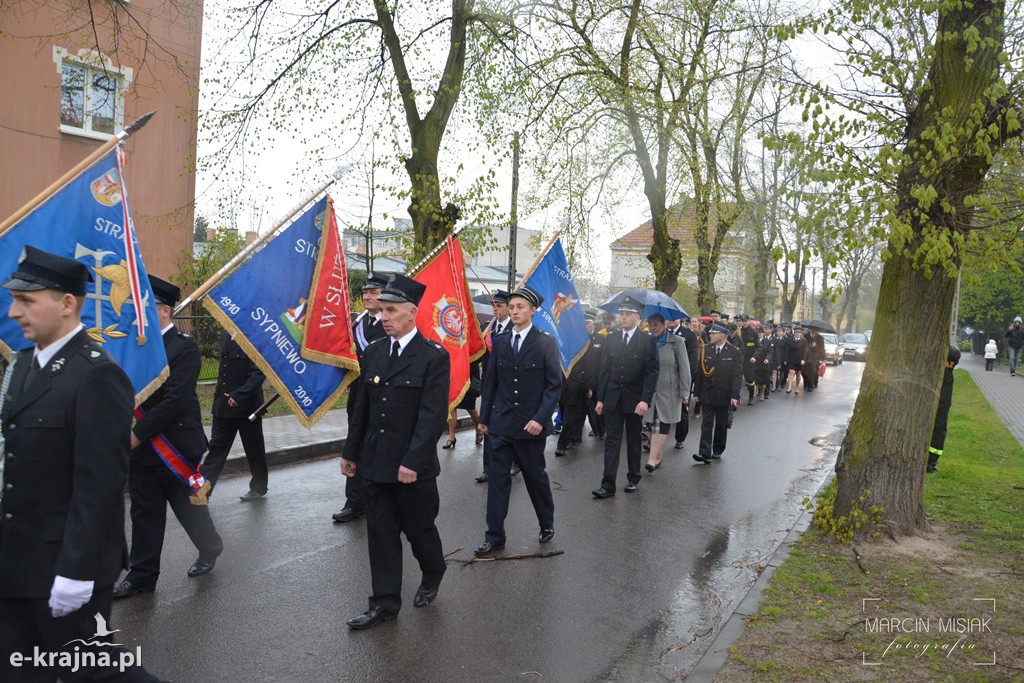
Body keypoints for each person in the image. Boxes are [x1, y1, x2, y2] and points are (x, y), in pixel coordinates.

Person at [0, 247, 160, 682]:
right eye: (14, 299)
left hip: (63, 567)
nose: (14, 312)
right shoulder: (21, 367)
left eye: (27, 301)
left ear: (67, 303)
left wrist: (75, 571)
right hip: (16, 559)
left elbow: (99, 486)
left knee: (93, 673)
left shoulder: (96, 376)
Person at [340, 274, 450, 630]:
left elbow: (432, 417)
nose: (383, 316)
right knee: (381, 533)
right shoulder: (374, 352)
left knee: (419, 530)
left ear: (411, 313)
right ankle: (384, 603)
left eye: (391, 310)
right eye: (382, 309)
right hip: (375, 462)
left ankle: (433, 571)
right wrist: (350, 452)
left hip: (412, 467)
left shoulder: (433, 357)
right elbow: (363, 409)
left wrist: (412, 462)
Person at [114, 276, 224, 598]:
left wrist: (137, 435)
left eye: (144, 307)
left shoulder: (184, 348)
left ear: (163, 310)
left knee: (188, 507)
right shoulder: (136, 346)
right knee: (144, 512)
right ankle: (142, 575)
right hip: (143, 448)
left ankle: (210, 546)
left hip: (175, 445)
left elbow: (175, 400)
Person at [475, 285, 562, 556]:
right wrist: (485, 417)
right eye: (511, 307)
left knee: (535, 477)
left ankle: (546, 522)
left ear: (533, 311)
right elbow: (491, 382)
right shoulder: (500, 341)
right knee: (498, 481)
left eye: (520, 307)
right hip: (501, 424)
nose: (514, 311)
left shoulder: (545, 342)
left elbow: (554, 386)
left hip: (530, 427)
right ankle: (494, 535)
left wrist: (540, 418)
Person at [333, 271, 388, 522]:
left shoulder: (391, 323)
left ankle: (379, 498)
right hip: (358, 393)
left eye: (373, 292)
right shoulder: (356, 323)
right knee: (354, 444)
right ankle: (355, 502)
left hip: (382, 396)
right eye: (365, 291)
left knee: (378, 447)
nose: (367, 296)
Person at [592, 296, 659, 497]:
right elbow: (604, 370)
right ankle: (608, 484)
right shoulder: (610, 338)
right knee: (611, 441)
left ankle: (633, 478)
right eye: (621, 314)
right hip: (613, 396)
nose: (623, 317)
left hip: (635, 398)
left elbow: (652, 372)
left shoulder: (647, 340)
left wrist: (645, 400)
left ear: (638, 317)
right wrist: (600, 399)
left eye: (628, 314)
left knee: (633, 440)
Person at [200, 330, 268, 501]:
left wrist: (240, 395)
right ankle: (201, 492)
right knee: (216, 449)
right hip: (224, 404)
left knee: (254, 449)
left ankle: (259, 487)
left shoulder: (254, 335)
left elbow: (259, 372)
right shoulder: (225, 333)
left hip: (247, 405)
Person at [644, 314, 690, 472]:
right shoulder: (646, 342)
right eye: (650, 324)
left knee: (662, 423)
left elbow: (684, 367)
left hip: (669, 391)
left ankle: (651, 458)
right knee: (650, 425)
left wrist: (685, 391)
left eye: (656, 324)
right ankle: (657, 455)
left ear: (664, 325)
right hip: (649, 391)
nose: (653, 328)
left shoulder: (676, 342)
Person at [692, 323, 743, 463]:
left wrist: (735, 396)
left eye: (714, 333)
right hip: (708, 392)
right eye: (711, 333)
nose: (710, 335)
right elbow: (701, 373)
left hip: (724, 393)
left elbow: (737, 376)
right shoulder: (706, 350)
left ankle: (718, 449)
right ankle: (704, 452)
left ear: (723, 335)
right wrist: (696, 392)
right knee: (706, 423)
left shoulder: (734, 351)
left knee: (721, 424)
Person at [476, 290, 512, 482]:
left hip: (508, 386)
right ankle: (488, 468)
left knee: (510, 425)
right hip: (489, 385)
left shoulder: (515, 328)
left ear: (508, 307)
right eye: (494, 306)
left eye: (499, 306)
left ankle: (513, 463)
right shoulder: (486, 328)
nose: (495, 309)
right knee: (487, 424)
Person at [927, 345, 961, 473]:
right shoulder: (950, 366)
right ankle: (932, 461)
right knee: (939, 429)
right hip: (944, 400)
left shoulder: (935, 365)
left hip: (934, 396)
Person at [671, 315, 698, 450]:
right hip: (665, 378)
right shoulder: (662, 334)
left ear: (679, 319)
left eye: (672, 317)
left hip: (681, 377)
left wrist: (688, 380)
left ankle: (680, 437)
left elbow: (692, 360)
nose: (669, 320)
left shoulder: (688, 335)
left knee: (682, 409)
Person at [443, 358, 481, 449]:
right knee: (452, 406)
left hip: (469, 372)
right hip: (454, 371)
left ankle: (478, 429)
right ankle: (451, 437)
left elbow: (478, 353)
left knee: (470, 406)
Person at [737, 315, 758, 405]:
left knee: (749, 379)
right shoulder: (738, 332)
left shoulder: (753, 332)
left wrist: (754, 356)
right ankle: (736, 397)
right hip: (738, 359)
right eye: (743, 321)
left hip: (749, 360)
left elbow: (758, 347)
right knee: (737, 378)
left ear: (749, 321)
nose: (744, 323)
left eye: (746, 321)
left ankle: (751, 396)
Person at [802, 326, 826, 392]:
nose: (814, 330)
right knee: (804, 371)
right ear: (810, 329)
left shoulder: (820, 338)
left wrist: (816, 347)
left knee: (813, 371)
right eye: (812, 329)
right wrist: (810, 346)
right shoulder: (804, 336)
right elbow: (802, 345)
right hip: (806, 356)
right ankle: (806, 382)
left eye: (815, 329)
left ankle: (811, 385)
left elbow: (821, 348)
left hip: (815, 357)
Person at [785, 326, 808, 394]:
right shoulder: (790, 340)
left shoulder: (804, 341)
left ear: (801, 333)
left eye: (798, 332)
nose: (797, 333)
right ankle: (789, 387)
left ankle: (797, 388)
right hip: (791, 359)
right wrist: (786, 359)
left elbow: (805, 351)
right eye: (796, 332)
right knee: (791, 372)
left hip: (800, 360)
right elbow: (787, 350)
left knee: (798, 374)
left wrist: (803, 359)